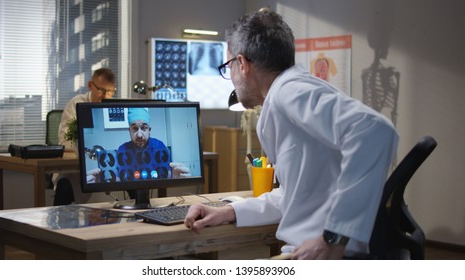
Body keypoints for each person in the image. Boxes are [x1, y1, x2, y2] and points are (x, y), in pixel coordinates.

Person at [184, 10, 399, 260]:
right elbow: (294, 194)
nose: (230, 76)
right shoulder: (288, 93)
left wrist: (335, 237)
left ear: (241, 65)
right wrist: (228, 212)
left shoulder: (289, 92)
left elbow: (375, 131)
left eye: (228, 66)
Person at [53, 68, 116, 206]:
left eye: (110, 92)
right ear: (90, 86)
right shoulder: (76, 104)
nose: (105, 96)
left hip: (104, 164)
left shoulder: (112, 108)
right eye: (101, 90)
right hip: (74, 169)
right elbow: (66, 143)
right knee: (65, 185)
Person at [116, 107, 190, 199]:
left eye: (144, 128)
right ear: (129, 131)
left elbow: (167, 174)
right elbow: (119, 178)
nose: (139, 135)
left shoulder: (159, 146)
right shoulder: (123, 149)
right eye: (134, 128)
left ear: (149, 130)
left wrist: (174, 178)